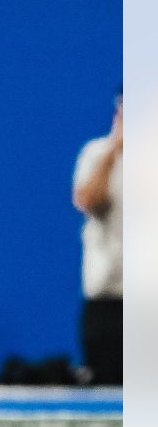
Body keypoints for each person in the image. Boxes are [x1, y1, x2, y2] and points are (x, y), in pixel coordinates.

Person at [71, 87, 123, 385]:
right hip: (108, 297)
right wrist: (114, 150)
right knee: (107, 384)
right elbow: (87, 200)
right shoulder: (96, 153)